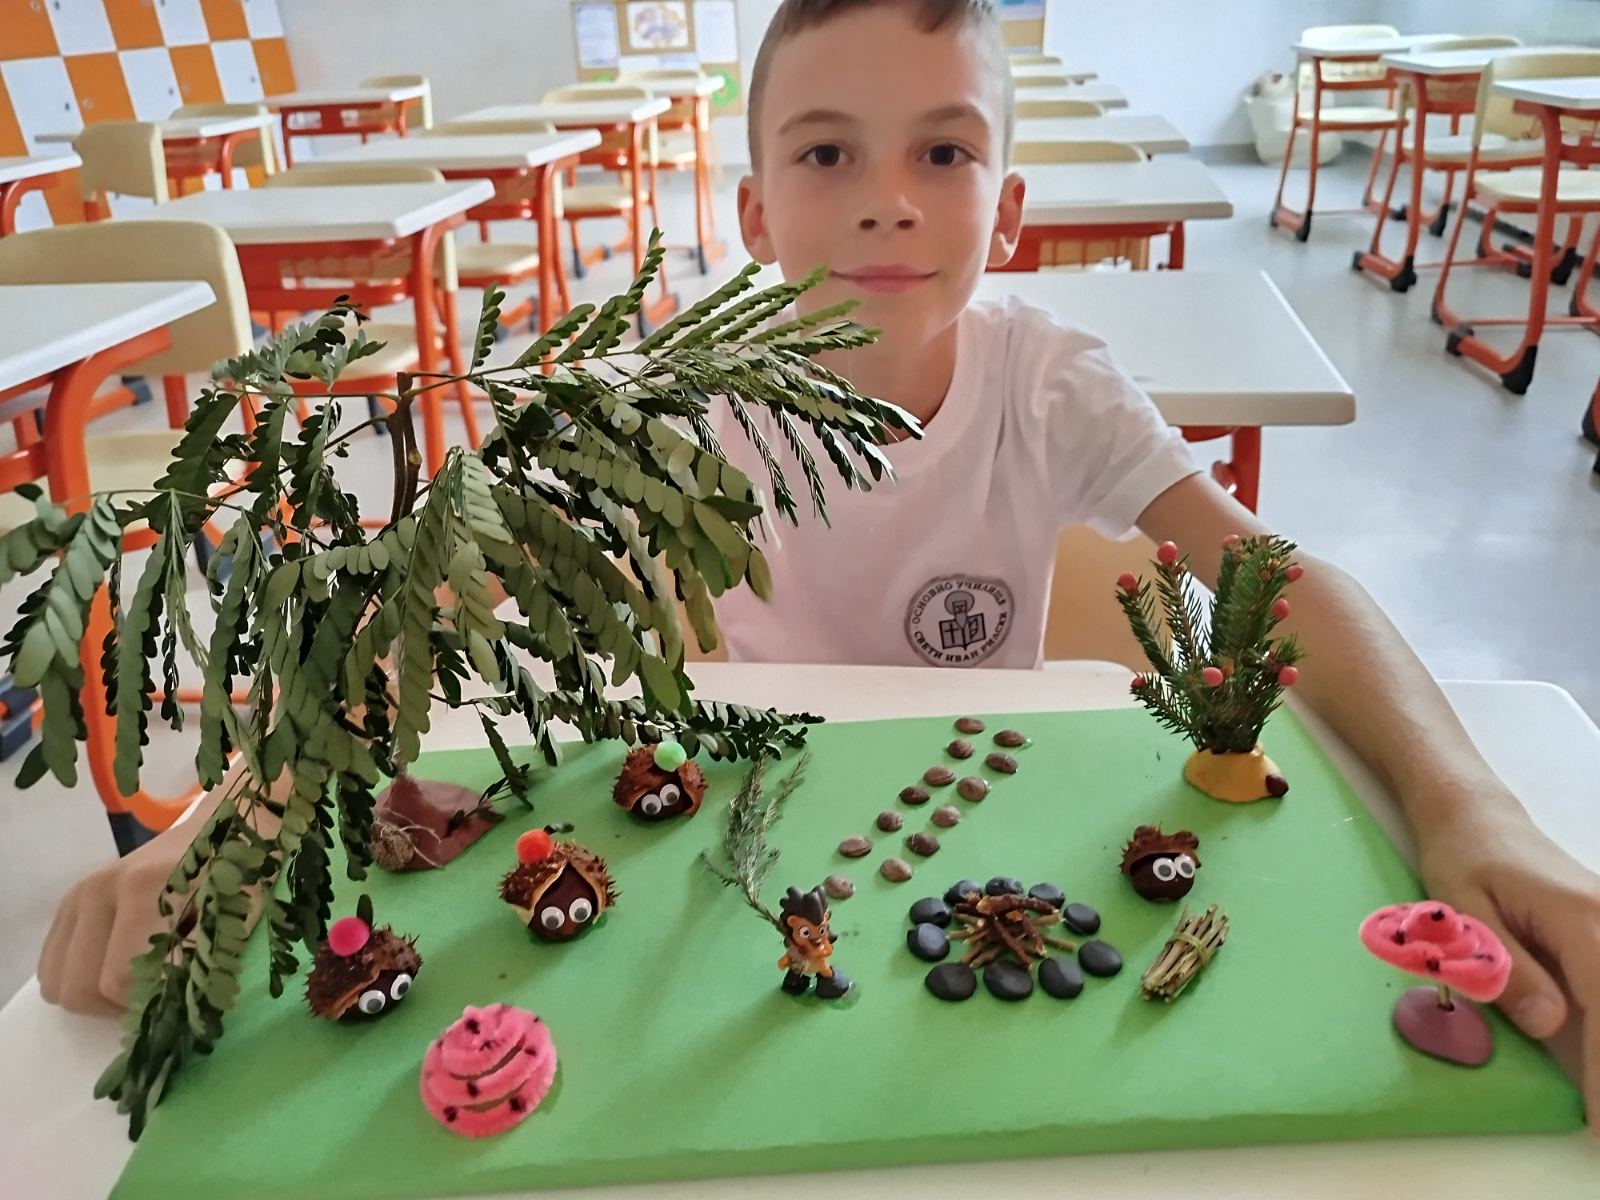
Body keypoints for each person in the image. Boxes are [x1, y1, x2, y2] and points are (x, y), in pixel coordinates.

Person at [37, 0, 1600, 1130]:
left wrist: (1468, 804)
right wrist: (244, 818)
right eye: (828, 150)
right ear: (753, 208)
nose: (888, 199)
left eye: (944, 149)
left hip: (973, 838)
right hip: (730, 861)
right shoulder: (675, 405)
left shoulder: (1053, 385)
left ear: (1010, 207)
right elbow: (422, 604)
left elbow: (1276, 581)